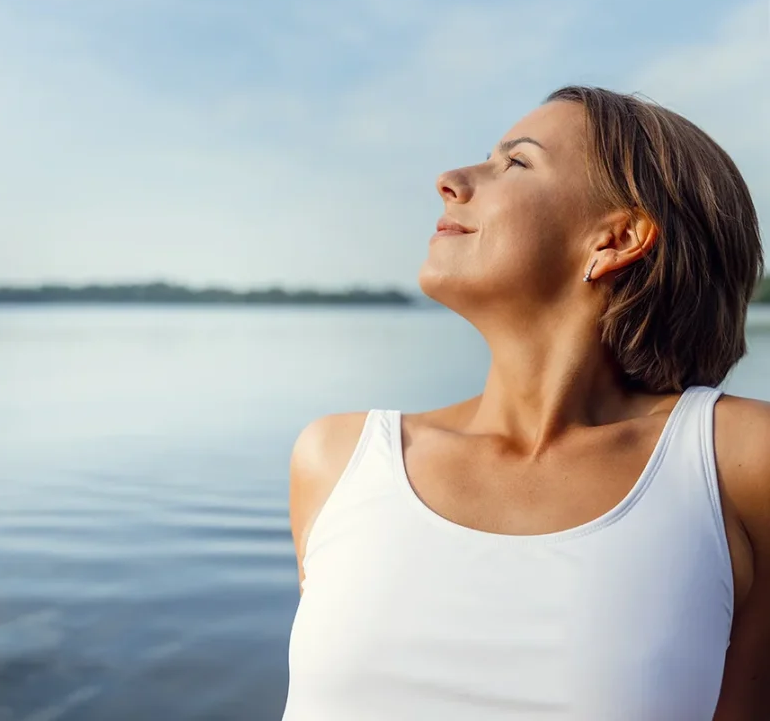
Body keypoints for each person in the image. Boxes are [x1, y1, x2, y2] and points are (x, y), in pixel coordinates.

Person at [282, 85, 770, 720]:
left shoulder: (736, 464)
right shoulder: (338, 461)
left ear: (616, 238)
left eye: (515, 162)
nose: (450, 179)